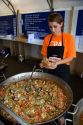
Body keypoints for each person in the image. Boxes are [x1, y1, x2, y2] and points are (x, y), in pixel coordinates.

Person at [40, 12, 76, 125]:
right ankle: (49, 112)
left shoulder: (68, 38)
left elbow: (71, 57)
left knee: (62, 95)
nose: (53, 30)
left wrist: (58, 63)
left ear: (61, 24)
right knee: (48, 92)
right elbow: (44, 55)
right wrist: (44, 62)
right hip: (49, 70)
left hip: (62, 71)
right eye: (50, 27)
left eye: (55, 26)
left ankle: (61, 117)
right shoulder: (47, 38)